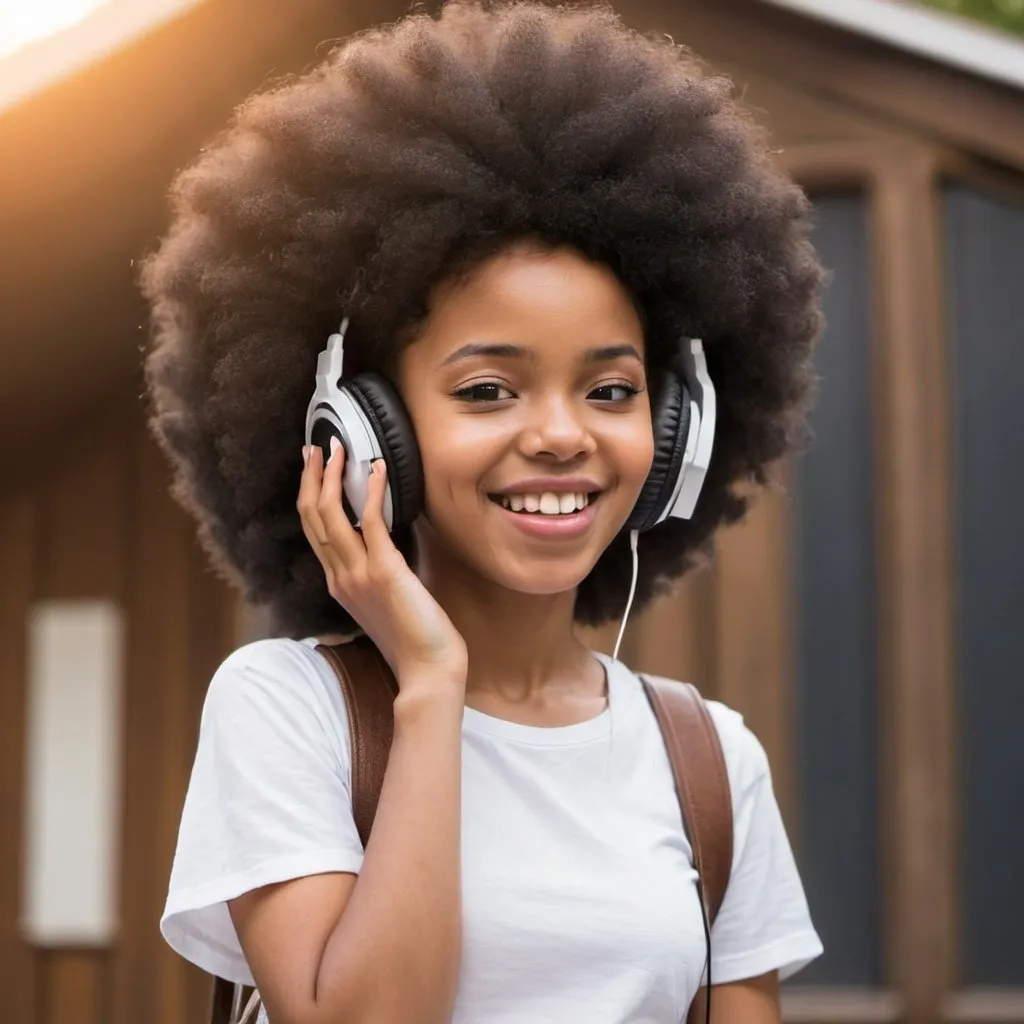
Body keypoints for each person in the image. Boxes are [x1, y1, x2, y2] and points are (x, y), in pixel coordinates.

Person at [143, 1, 826, 1021]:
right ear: (363, 427)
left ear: (677, 428)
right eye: (487, 390)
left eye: (609, 390)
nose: (561, 435)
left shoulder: (709, 762)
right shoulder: (288, 710)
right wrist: (429, 683)